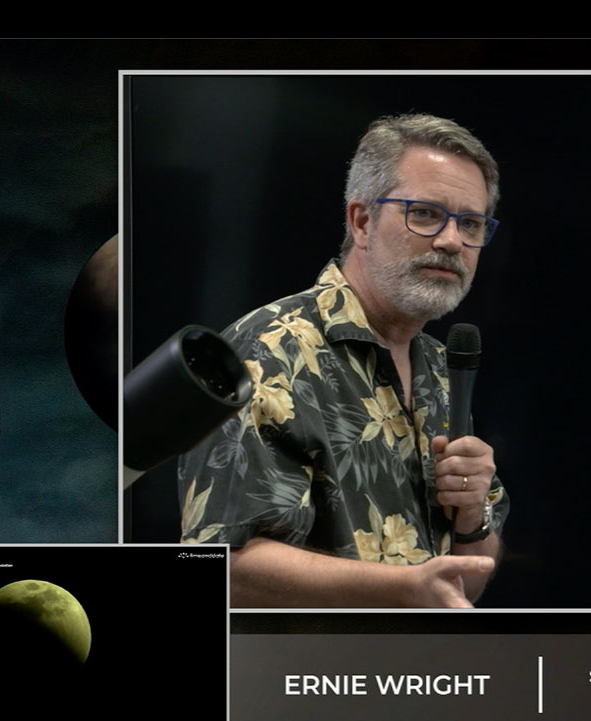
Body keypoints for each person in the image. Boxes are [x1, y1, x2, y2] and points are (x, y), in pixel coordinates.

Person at [178, 114, 509, 609]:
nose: (450, 241)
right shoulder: (269, 348)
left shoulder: (442, 369)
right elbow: (222, 566)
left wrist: (471, 517)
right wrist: (403, 590)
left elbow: (461, 588)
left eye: (470, 223)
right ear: (361, 221)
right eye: (424, 214)